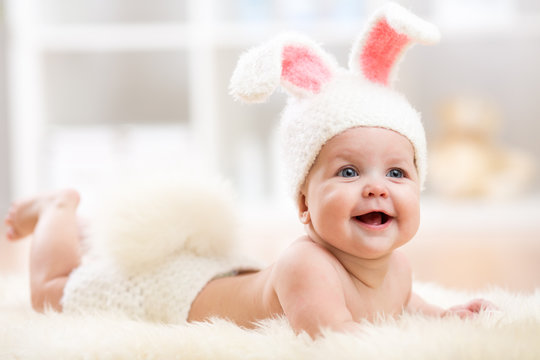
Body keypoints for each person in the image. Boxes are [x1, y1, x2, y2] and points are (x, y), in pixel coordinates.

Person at [4, 3, 495, 338]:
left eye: (397, 174)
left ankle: (91, 232)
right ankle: (58, 210)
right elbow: (338, 339)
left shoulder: (399, 269)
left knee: (118, 255)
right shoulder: (309, 265)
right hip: (174, 295)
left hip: (213, 275)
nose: (375, 189)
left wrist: (443, 315)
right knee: (56, 294)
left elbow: (402, 305)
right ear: (304, 202)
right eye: (348, 173)